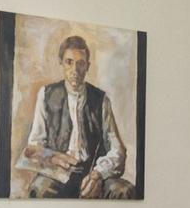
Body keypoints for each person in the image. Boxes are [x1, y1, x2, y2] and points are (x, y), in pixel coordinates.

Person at [17, 33, 135, 198]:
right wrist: (56, 161)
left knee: (123, 190)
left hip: (93, 172)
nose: (75, 70)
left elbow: (118, 151)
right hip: (58, 175)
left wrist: (97, 175)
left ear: (87, 66)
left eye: (80, 64)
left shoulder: (101, 100)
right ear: (62, 64)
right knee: (39, 188)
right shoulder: (46, 95)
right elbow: (34, 146)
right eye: (69, 62)